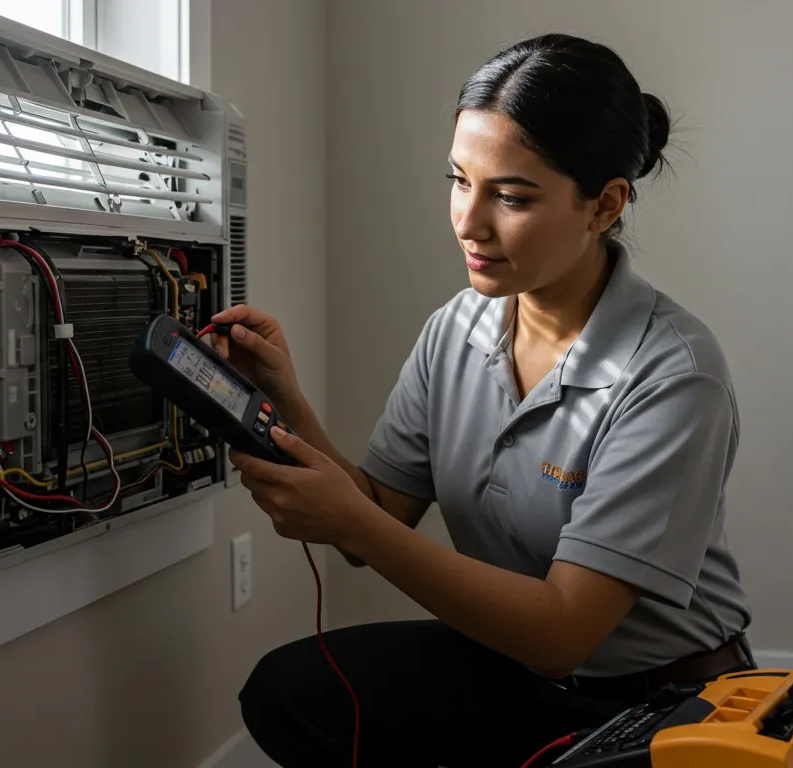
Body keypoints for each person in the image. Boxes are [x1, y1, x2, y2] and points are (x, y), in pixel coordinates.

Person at [212, 32, 753, 768]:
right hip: (515, 670)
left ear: (604, 205)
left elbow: (563, 630)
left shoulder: (672, 374)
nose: (469, 221)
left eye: (512, 195)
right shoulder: (456, 330)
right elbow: (376, 511)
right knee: (288, 694)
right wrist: (286, 398)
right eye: (460, 180)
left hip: (653, 700)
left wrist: (355, 525)